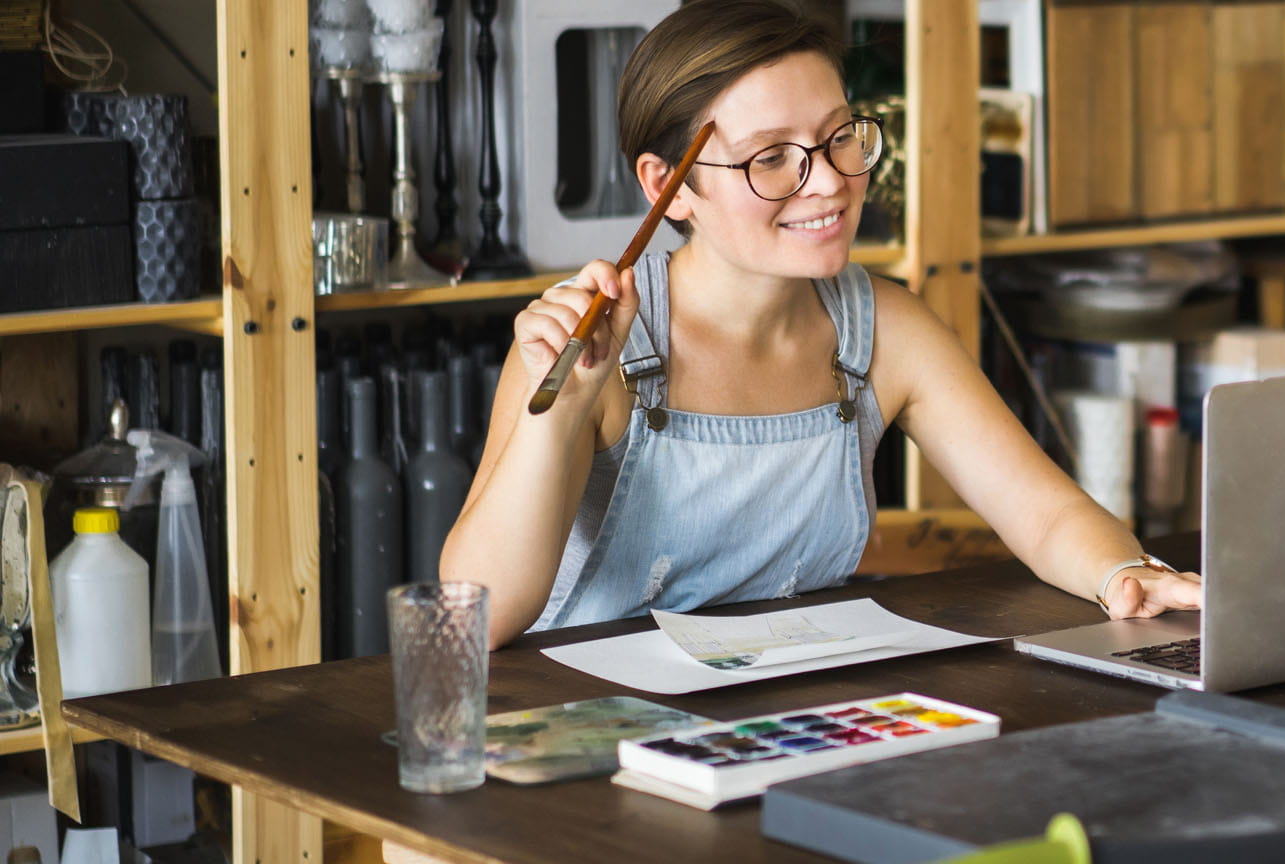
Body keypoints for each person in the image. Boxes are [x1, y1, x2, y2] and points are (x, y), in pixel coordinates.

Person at [441, 0, 1200, 646]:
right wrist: (562, 410)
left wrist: (1124, 575)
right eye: (771, 157)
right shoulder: (589, 347)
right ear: (668, 186)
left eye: (839, 137)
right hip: (596, 730)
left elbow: (1044, 513)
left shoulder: (887, 330)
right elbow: (478, 614)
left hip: (794, 715)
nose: (830, 182)